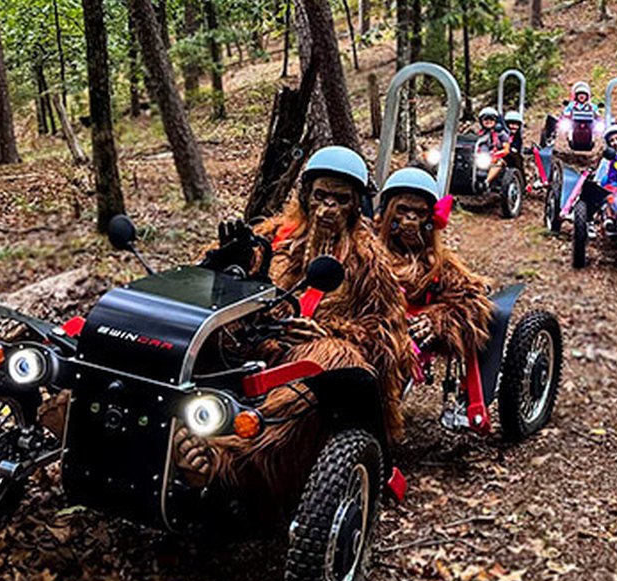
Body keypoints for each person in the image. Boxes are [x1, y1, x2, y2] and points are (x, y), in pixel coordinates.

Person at [178, 147, 414, 512]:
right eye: (321, 196)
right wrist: (224, 261)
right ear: (306, 197)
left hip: (313, 366)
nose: (329, 208)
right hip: (255, 344)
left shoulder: (369, 261)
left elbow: (390, 335)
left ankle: (227, 457)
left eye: (341, 199)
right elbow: (227, 281)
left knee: (331, 358)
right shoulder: (276, 236)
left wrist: (331, 332)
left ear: (356, 207)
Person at [377, 167, 493, 364]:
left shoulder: (438, 263)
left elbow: (471, 302)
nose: (410, 219)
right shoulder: (367, 249)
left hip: (400, 343)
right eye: (403, 210)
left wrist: (438, 320)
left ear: (430, 219)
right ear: (388, 212)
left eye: (419, 213)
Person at [475, 106, 508, 187]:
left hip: (496, 158)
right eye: (486, 119)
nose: (488, 121)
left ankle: (486, 182)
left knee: (499, 162)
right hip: (481, 157)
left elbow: (506, 150)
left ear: (496, 121)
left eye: (491, 119)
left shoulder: (501, 134)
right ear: (481, 121)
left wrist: (495, 156)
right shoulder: (479, 134)